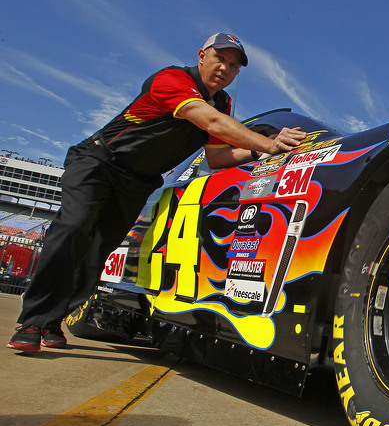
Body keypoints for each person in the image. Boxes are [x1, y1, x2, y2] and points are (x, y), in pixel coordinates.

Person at [8, 33, 306, 352]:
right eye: (220, 58)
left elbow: (217, 157)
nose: (225, 67)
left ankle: (52, 322)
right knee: (74, 226)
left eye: (233, 65)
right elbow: (211, 122)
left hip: (138, 181)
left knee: (97, 253)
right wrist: (267, 142)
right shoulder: (172, 78)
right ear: (202, 56)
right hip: (99, 161)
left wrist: (265, 153)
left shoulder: (222, 103)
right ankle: (32, 322)